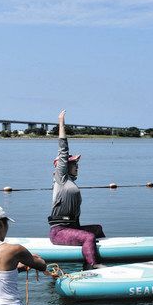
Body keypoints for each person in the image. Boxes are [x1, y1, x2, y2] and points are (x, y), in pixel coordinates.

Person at [48, 110, 106, 270]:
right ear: (64, 167)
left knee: (97, 229)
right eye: (73, 164)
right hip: (59, 232)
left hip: (72, 228)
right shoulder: (61, 179)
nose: (77, 166)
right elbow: (63, 150)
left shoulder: (70, 183)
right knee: (88, 236)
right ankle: (92, 265)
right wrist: (61, 122)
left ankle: (95, 252)